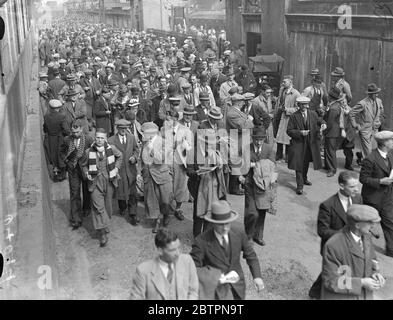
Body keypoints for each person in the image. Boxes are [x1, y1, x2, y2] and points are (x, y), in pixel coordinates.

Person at [190, 200, 265, 300]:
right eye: (221, 224)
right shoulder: (201, 241)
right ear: (213, 223)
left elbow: (251, 255)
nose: (225, 228)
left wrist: (257, 277)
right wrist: (216, 278)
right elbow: (193, 269)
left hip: (237, 288)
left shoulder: (239, 232)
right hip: (215, 291)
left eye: (227, 223)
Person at [308, 171, 362, 299]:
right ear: (341, 186)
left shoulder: (358, 198)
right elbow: (322, 230)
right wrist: (345, 235)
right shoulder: (328, 205)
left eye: (357, 186)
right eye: (352, 186)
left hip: (353, 246)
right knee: (334, 271)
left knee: (335, 271)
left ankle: (316, 292)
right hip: (334, 247)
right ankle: (319, 294)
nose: (356, 189)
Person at [321, 204, 385, 300]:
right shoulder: (334, 245)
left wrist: (375, 273)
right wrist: (361, 283)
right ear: (357, 225)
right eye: (370, 222)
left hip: (364, 295)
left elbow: (372, 260)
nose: (373, 226)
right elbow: (332, 281)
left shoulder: (366, 237)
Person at [130, 228, 199, 300]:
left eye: (178, 247)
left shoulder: (187, 261)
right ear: (160, 251)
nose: (178, 253)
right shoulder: (143, 271)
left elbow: (193, 291)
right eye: (172, 250)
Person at [82, 128, 123, 247]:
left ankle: (105, 223)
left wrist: (116, 168)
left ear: (106, 139)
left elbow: (120, 156)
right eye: (97, 138)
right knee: (98, 207)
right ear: (94, 138)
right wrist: (86, 173)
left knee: (108, 207)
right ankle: (102, 233)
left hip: (109, 180)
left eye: (102, 138)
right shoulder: (88, 151)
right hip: (95, 182)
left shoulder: (112, 149)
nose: (99, 140)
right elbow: (84, 165)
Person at [240, 127, 276, 246]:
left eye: (261, 139)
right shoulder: (246, 148)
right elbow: (240, 164)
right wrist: (240, 176)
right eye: (257, 140)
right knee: (251, 212)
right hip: (250, 183)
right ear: (252, 138)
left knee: (261, 212)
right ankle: (248, 235)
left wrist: (254, 165)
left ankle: (258, 236)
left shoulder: (268, 149)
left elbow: (272, 165)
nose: (259, 142)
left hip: (263, 185)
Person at [360, 130, 393, 257]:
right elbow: (363, 178)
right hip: (372, 198)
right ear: (384, 143)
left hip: (387, 197)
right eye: (391, 140)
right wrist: (380, 181)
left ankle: (391, 250)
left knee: (390, 223)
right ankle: (361, 250)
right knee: (366, 226)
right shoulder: (370, 158)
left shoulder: (389, 155)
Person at [287, 96, 326, 195]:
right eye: (302, 104)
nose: (305, 106)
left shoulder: (313, 114)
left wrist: (323, 124)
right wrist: (300, 132)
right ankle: (300, 186)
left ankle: (304, 178)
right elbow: (289, 131)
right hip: (298, 144)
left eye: (306, 104)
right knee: (299, 164)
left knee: (306, 163)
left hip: (310, 143)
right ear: (298, 105)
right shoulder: (294, 116)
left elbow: (320, 120)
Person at [140, 122, 174, 233]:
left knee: (165, 200)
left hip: (161, 175)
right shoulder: (145, 143)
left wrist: (152, 150)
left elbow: (161, 159)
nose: (142, 135)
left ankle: (166, 214)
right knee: (152, 200)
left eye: (144, 133)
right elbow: (142, 159)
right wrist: (140, 172)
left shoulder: (165, 143)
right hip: (149, 176)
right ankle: (157, 221)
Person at [61, 120, 93, 230]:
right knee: (74, 193)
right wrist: (66, 162)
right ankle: (76, 218)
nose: (75, 134)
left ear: (82, 129)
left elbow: (93, 153)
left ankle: (87, 208)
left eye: (77, 132)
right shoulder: (66, 140)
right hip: (73, 170)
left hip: (85, 169)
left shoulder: (88, 139)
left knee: (86, 189)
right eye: (73, 132)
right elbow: (62, 152)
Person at [160, 110, 192, 221]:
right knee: (167, 186)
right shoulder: (163, 129)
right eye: (166, 119)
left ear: (175, 119)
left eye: (169, 119)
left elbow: (190, 148)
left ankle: (178, 209)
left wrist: (185, 145)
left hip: (180, 162)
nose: (167, 122)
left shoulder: (186, 130)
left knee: (180, 186)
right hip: (167, 162)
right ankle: (167, 211)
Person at [108, 119, 140, 225]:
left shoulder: (131, 138)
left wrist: (134, 157)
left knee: (132, 193)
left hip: (131, 170)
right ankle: (122, 207)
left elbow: (136, 149)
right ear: (117, 128)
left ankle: (133, 214)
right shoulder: (111, 140)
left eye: (125, 128)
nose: (123, 130)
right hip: (119, 171)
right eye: (121, 128)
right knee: (120, 191)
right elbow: (109, 156)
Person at [226, 94, 254, 195]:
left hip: (242, 141)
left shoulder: (237, 112)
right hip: (237, 141)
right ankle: (234, 188)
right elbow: (242, 126)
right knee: (235, 165)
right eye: (242, 101)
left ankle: (238, 186)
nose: (244, 103)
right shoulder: (232, 114)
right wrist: (249, 120)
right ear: (237, 102)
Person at [349, 83, 385, 158]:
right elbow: (351, 113)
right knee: (368, 153)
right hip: (365, 131)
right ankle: (367, 169)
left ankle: (361, 158)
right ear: (370, 94)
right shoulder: (363, 103)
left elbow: (381, 112)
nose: (377, 95)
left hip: (375, 130)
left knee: (375, 151)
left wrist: (379, 121)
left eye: (377, 93)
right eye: (375, 94)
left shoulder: (379, 101)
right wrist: (355, 125)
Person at [275, 75, 301, 162]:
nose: (283, 83)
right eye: (282, 82)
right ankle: (278, 155)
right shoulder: (282, 91)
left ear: (290, 82)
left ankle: (288, 157)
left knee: (288, 138)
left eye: (284, 82)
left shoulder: (296, 93)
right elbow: (279, 102)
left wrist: (288, 110)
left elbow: (299, 108)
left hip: (289, 118)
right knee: (278, 137)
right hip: (281, 116)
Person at [43, 99, 70, 181]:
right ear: (58, 108)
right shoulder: (62, 116)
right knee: (61, 155)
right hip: (59, 138)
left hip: (50, 139)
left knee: (53, 155)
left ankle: (55, 172)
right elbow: (66, 130)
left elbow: (44, 128)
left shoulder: (46, 116)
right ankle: (62, 174)